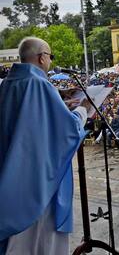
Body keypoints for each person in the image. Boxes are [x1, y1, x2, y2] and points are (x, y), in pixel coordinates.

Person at [0, 37, 91, 254]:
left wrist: (58, 96)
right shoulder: (40, 84)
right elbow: (67, 129)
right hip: (37, 180)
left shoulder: (8, 83)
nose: (50, 61)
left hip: (10, 174)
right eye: (50, 56)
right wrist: (84, 109)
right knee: (39, 242)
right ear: (42, 57)